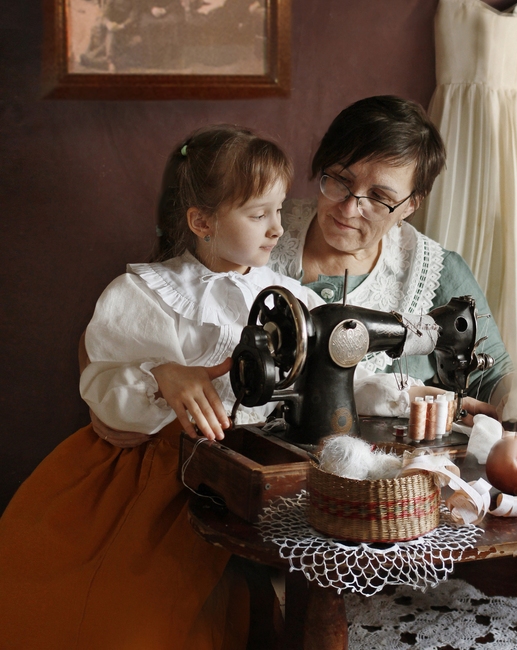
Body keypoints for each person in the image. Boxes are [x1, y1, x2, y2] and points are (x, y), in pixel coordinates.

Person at [0, 124, 321, 650]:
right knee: (115, 617)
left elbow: (330, 371)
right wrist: (160, 374)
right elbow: (103, 388)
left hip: (248, 472)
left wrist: (397, 394)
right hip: (151, 477)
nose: (277, 229)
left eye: (280, 210)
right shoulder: (145, 293)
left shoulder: (288, 298)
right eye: (258, 214)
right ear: (202, 222)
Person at [269, 95, 514, 417]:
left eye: (378, 196)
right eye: (341, 180)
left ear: (411, 205)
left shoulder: (434, 271)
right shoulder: (258, 230)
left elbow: (491, 375)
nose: (349, 208)